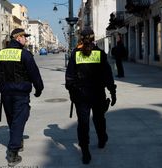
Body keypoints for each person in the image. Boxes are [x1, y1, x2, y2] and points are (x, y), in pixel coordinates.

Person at [0, 28, 44, 167]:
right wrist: (39, 88)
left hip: (6, 94)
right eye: (24, 37)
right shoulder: (25, 54)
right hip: (20, 94)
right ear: (18, 38)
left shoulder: (0, 54)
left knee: (13, 119)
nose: (26, 39)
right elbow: (34, 74)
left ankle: (17, 140)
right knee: (19, 120)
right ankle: (13, 152)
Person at [65, 27, 117, 164]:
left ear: (81, 38)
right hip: (98, 93)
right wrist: (113, 92)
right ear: (93, 38)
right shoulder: (100, 54)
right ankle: (102, 139)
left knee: (83, 123)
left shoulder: (75, 54)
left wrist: (72, 93)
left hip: (81, 95)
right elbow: (108, 76)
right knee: (99, 119)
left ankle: (85, 151)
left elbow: (69, 78)